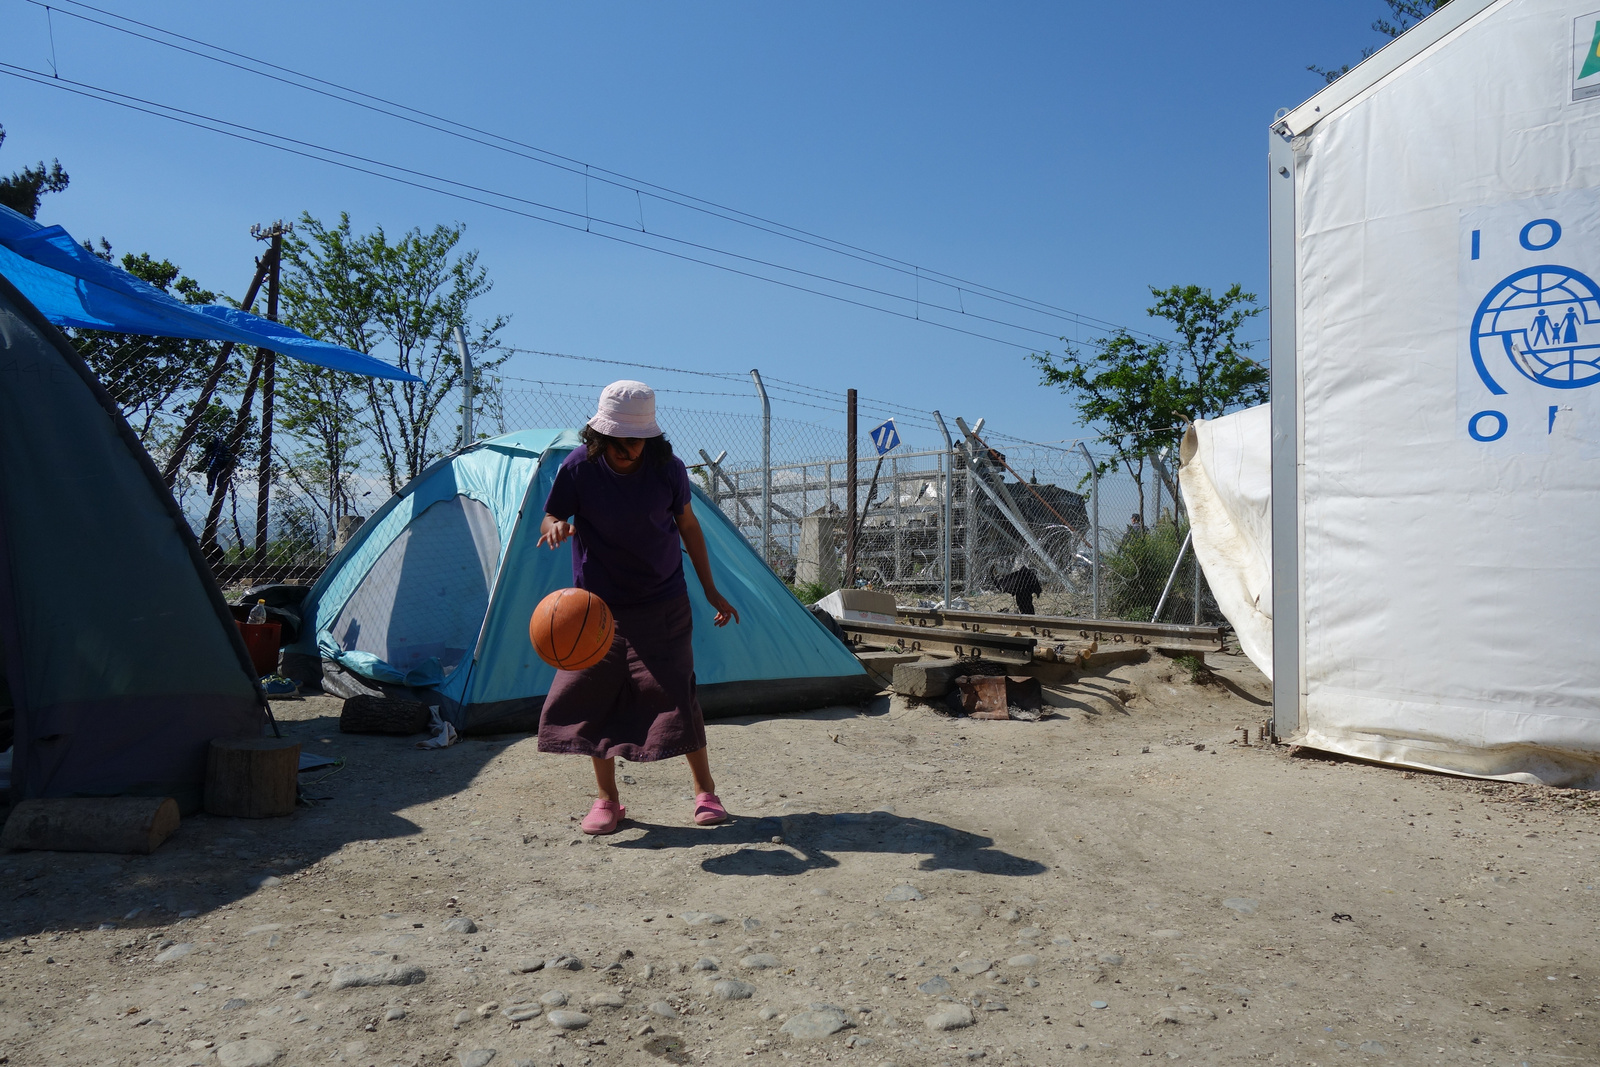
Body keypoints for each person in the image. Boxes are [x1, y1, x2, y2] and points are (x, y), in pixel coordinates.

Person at [536, 380, 740, 835]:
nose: (630, 450)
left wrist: (710, 589)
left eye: (638, 441)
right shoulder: (578, 468)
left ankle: (705, 791)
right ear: (600, 437)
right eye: (620, 441)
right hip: (595, 610)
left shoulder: (668, 468)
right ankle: (608, 799)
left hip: (662, 599)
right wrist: (555, 527)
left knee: (677, 693)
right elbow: (552, 515)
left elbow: (688, 526)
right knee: (593, 695)